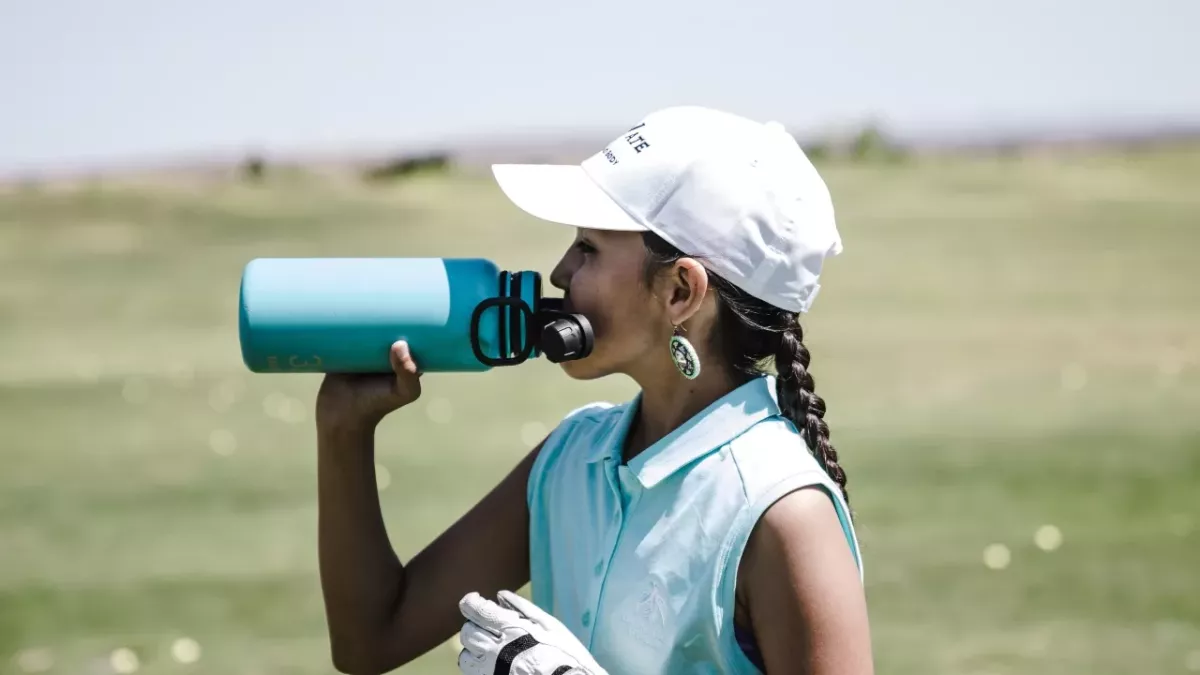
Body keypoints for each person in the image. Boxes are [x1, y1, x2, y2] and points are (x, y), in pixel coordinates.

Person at [314, 106, 874, 675]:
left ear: (681, 290)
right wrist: (344, 429)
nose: (558, 272)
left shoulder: (785, 513)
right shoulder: (570, 459)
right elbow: (371, 640)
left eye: (588, 248)